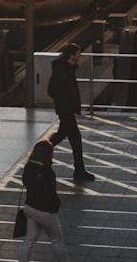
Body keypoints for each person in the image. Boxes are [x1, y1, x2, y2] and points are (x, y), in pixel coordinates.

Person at [46, 43, 95, 181]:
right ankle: (79, 171)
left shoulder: (68, 69)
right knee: (76, 140)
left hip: (67, 109)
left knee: (60, 135)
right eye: (78, 53)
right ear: (71, 55)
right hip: (65, 110)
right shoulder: (62, 70)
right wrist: (66, 102)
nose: (80, 56)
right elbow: (52, 90)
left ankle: (41, 155)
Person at [18, 140, 70, 262]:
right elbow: (50, 193)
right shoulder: (48, 172)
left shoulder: (28, 167)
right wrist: (55, 205)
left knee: (29, 241)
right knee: (57, 239)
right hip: (44, 211)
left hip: (29, 207)